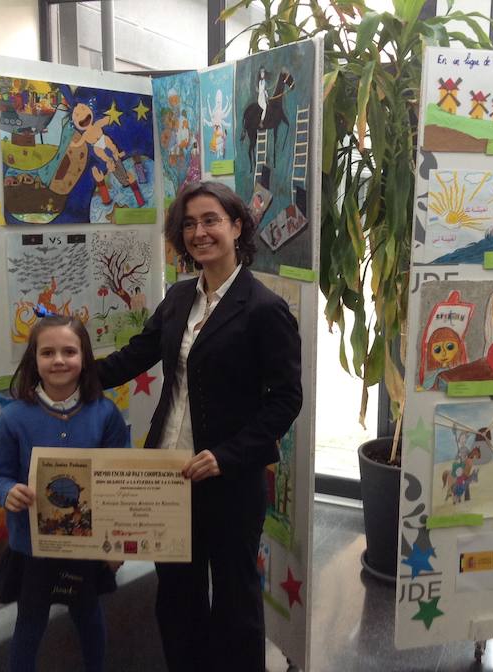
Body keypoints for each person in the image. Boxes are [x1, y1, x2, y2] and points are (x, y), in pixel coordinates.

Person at [97, 181, 303, 672]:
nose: (198, 232)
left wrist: (228, 454)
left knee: (235, 600)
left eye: (210, 220)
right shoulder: (178, 298)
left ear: (236, 226)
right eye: (188, 224)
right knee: (177, 596)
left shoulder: (264, 309)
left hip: (227, 479)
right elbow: (134, 357)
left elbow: (285, 400)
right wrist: (70, 373)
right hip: (166, 473)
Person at [0, 315, 129, 672]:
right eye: (47, 352)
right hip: (32, 545)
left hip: (87, 543)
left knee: (89, 613)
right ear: (34, 360)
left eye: (69, 351)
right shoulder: (14, 417)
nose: (59, 360)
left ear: (85, 357)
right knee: (30, 622)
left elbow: (121, 482)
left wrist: (119, 542)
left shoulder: (105, 413)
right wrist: (8, 492)